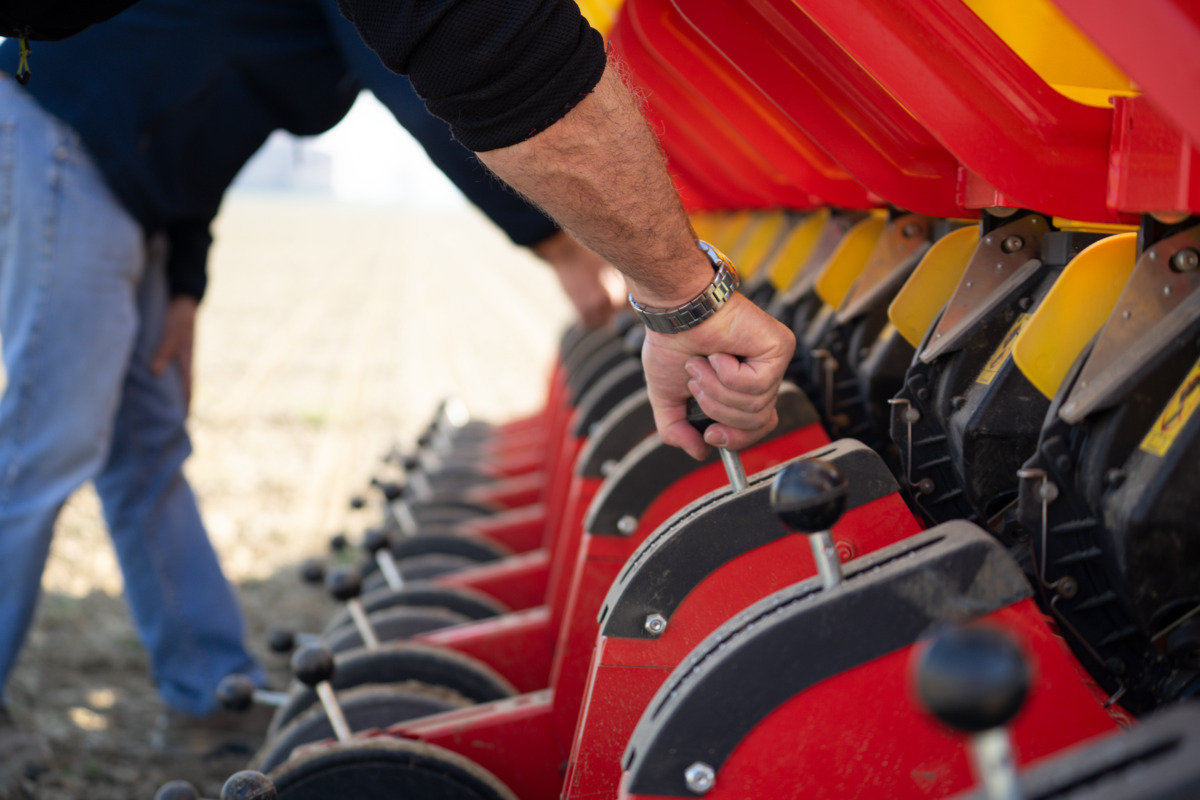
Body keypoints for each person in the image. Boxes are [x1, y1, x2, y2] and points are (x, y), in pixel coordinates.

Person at [0, 0, 625, 782]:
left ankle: (210, 698)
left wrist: (184, 282)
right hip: (64, 136)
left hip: (138, 181)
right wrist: (559, 236)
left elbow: (206, 111)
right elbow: (435, 85)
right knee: (46, 440)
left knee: (144, 440)